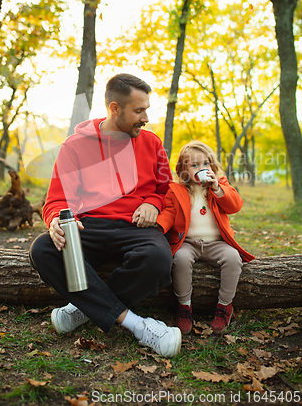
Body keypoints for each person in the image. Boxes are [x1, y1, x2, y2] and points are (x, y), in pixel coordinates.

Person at [29, 73, 182, 358]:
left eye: (147, 109)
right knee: (43, 248)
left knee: (159, 259)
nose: (146, 117)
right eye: (139, 110)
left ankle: (82, 310)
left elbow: (166, 190)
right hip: (89, 227)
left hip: (136, 226)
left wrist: (152, 202)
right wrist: (56, 222)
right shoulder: (74, 146)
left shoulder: (152, 143)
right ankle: (138, 326)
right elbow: (57, 199)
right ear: (115, 108)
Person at [156, 141, 255, 335]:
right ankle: (184, 306)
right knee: (180, 259)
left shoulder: (220, 185)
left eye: (205, 164)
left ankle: (224, 306)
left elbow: (235, 205)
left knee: (233, 259)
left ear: (213, 166)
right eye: (194, 165)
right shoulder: (177, 190)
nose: (201, 169)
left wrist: (217, 188)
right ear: (183, 170)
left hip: (216, 243)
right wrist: (159, 226)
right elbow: (169, 213)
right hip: (188, 243)